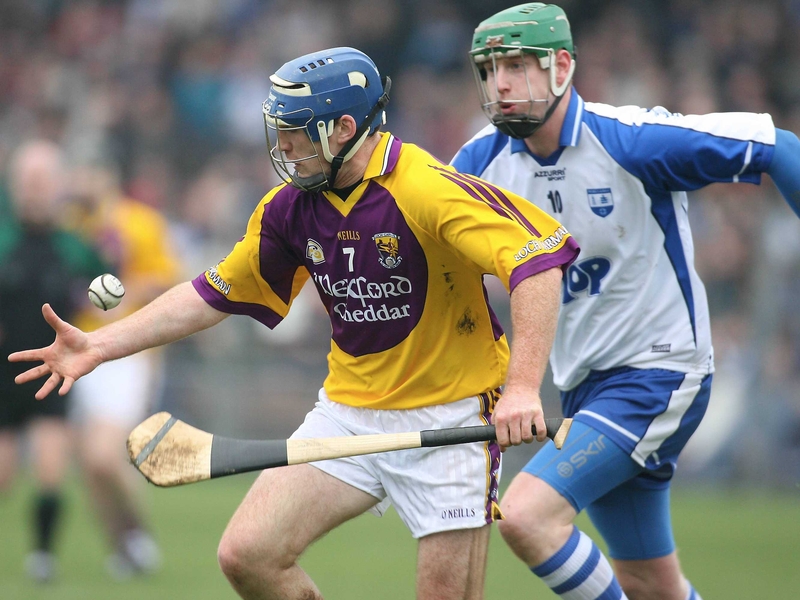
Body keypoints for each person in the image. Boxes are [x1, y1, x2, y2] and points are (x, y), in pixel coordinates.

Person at [9, 47, 580, 600]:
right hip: (349, 413)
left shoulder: (426, 188)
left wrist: (525, 387)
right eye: (278, 130)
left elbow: (538, 261)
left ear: (345, 128)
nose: (282, 147)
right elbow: (210, 295)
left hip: (452, 415)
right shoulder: (289, 208)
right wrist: (99, 346)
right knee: (247, 554)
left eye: (297, 132)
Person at [451, 4, 800, 600]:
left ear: (562, 67)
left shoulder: (633, 141)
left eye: (514, 65)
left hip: (660, 374)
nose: (499, 84)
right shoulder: (479, 165)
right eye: (488, 70)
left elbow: (779, 145)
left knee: (528, 516)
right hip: (586, 388)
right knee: (650, 586)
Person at [65, 161, 182, 578]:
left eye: (88, 171)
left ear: (106, 176)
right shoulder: (72, 224)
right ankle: (124, 547)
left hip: (124, 350)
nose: (81, 180)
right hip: (75, 350)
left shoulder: (141, 222)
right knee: (89, 466)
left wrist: (120, 292)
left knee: (101, 455)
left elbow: (168, 280)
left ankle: (137, 534)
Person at [0, 140, 108, 582]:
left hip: (53, 369)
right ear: (13, 184)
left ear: (58, 185)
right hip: (3, 374)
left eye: (43, 180)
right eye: (27, 179)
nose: (34, 189)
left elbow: (108, 278)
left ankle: (42, 558)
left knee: (50, 469)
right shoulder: (4, 238)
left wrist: (101, 298)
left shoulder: (74, 245)